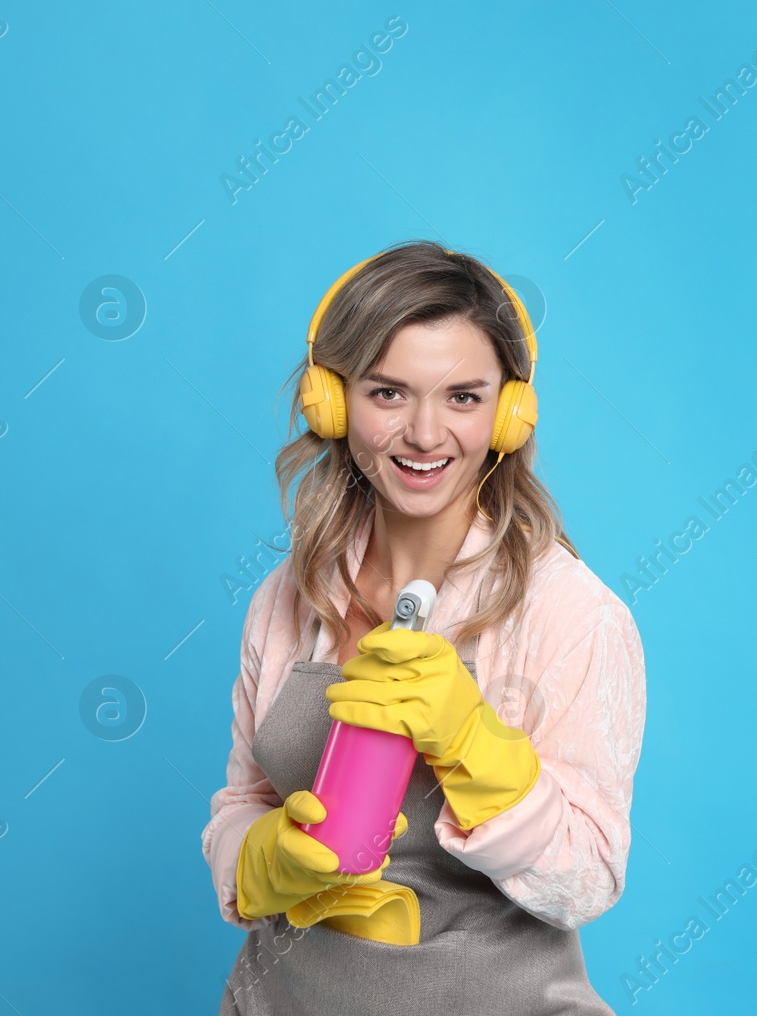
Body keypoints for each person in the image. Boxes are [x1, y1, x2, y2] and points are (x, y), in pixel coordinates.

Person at [200, 241, 647, 1014]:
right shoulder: (288, 596)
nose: (425, 434)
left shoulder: (570, 612)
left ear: (509, 415)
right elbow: (243, 801)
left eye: (464, 397)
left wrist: (476, 749)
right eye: (388, 394)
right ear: (331, 403)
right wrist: (255, 860)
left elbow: (589, 878)